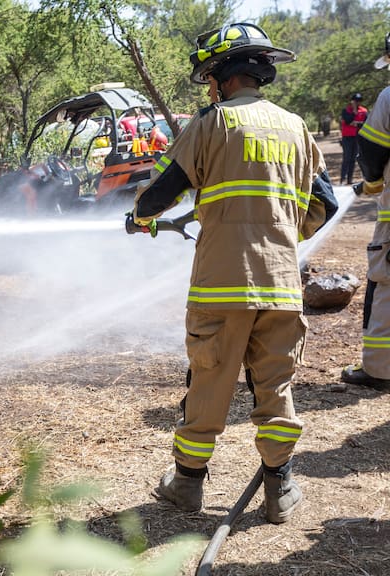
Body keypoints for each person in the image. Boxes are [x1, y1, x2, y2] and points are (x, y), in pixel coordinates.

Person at [130, 23, 338, 523]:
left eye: (211, 79)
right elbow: (325, 203)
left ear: (225, 74)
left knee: (208, 383)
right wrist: (284, 233)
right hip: (283, 286)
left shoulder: (212, 122)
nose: (209, 88)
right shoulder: (296, 126)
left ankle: (186, 485)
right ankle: (280, 489)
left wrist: (139, 216)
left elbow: (163, 192)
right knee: (276, 387)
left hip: (220, 287)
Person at [340, 32, 390, 389]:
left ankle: (379, 369)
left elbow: (371, 150)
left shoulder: (389, 96)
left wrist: (372, 181)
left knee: (385, 285)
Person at [340, 93, 368, 184]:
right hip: (347, 138)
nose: (357, 103)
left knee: (353, 158)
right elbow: (348, 121)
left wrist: (356, 123)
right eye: (356, 101)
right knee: (346, 157)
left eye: (359, 101)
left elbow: (365, 124)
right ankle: (342, 178)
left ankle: (349, 179)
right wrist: (354, 112)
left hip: (357, 137)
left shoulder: (364, 111)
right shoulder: (346, 111)